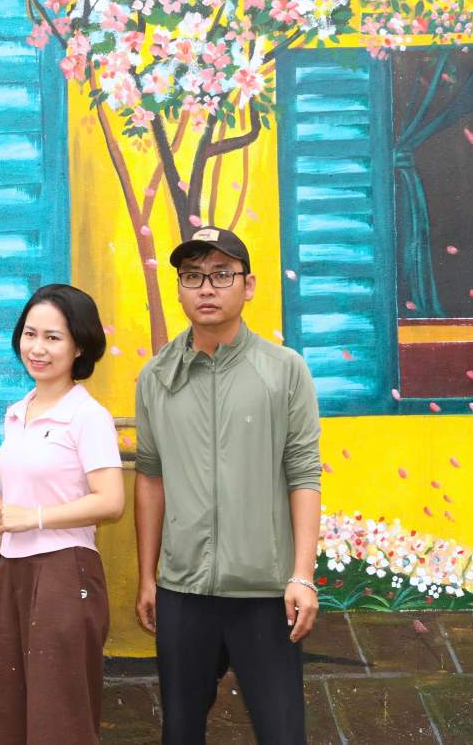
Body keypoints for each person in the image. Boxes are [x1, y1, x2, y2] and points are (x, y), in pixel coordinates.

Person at [133, 226, 322, 745]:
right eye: (192, 277)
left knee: (282, 732)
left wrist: (302, 576)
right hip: (184, 591)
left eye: (221, 275)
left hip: (265, 591)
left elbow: (304, 473)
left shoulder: (284, 371)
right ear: (179, 289)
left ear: (249, 285)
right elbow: (150, 477)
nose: (207, 288)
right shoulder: (156, 377)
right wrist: (149, 578)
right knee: (181, 729)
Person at [0, 283, 125, 745]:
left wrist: (35, 518)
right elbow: (7, 505)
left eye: (53, 337)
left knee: (59, 715)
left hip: (64, 571)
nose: (37, 347)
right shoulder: (18, 413)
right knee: (5, 705)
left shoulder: (87, 416)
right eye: (30, 334)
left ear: (79, 346)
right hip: (12, 571)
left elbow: (111, 501)